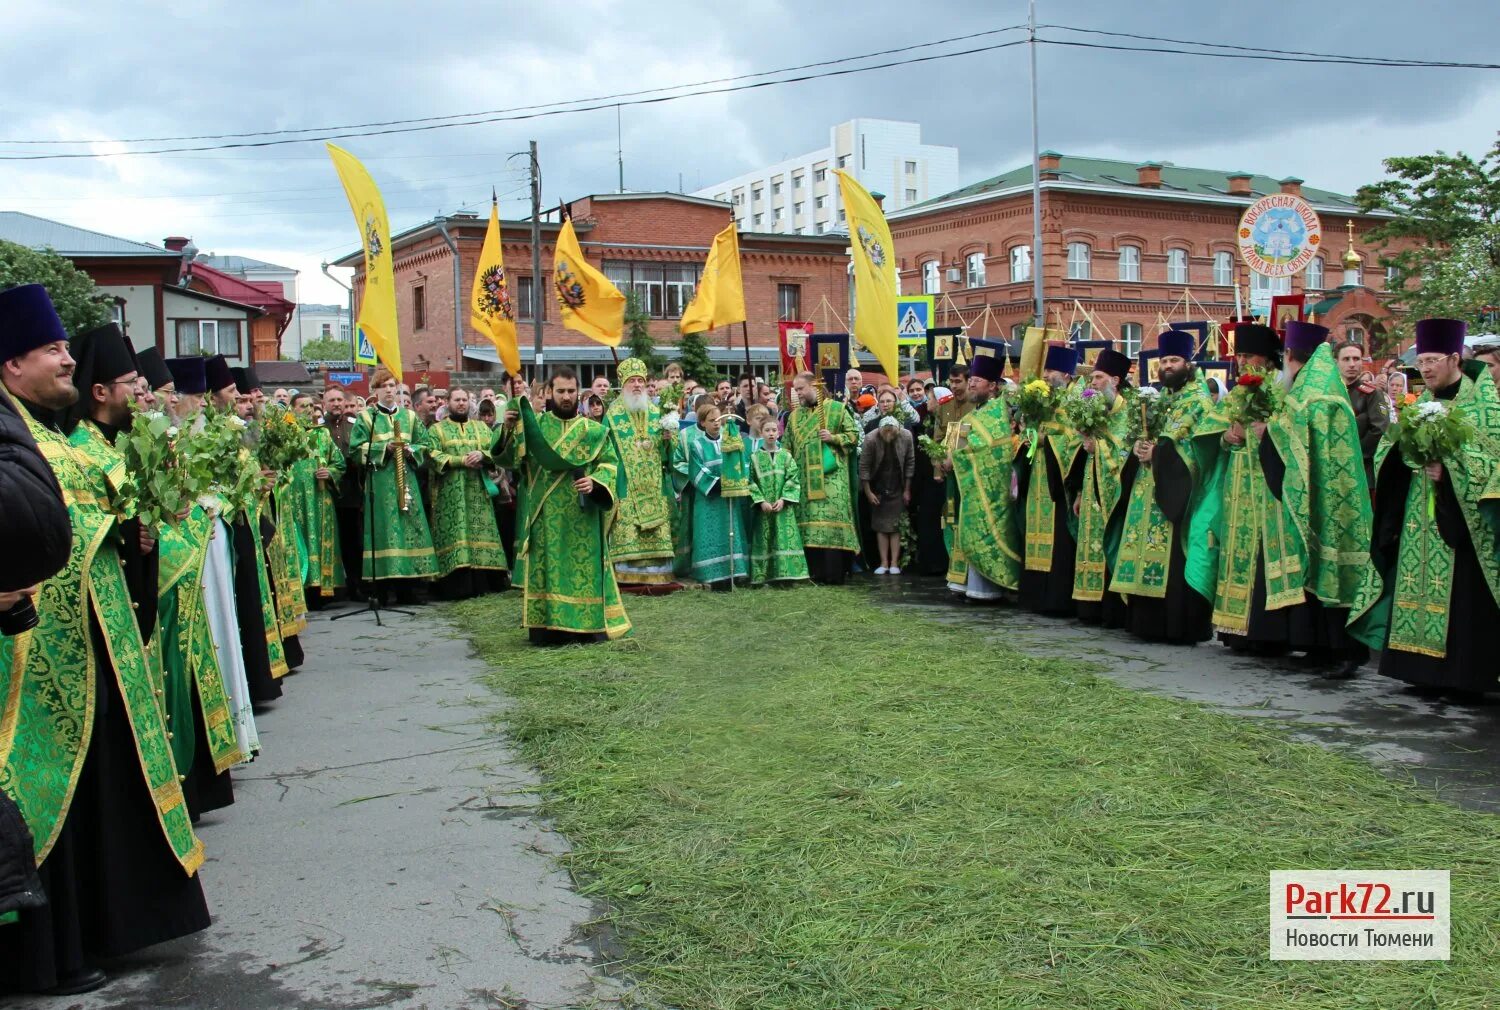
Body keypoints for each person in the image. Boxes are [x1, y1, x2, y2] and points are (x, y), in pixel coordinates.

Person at [0, 285, 209, 996]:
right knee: (46, 790)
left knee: (99, 790)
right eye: (52, 349)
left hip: (98, 643)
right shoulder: (22, 439)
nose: (67, 358)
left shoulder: (54, 437)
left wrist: (133, 534)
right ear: (10, 367)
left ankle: (105, 927)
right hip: (33, 656)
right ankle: (44, 953)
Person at [1353, 318, 1500, 696]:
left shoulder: (1485, 406)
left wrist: (1449, 470)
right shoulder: (1423, 406)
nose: (1426, 368)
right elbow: (1393, 449)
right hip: (1420, 522)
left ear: (1455, 358)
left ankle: (1461, 676)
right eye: (1422, 361)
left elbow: (1490, 460)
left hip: (1464, 528)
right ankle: (1419, 670)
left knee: (1462, 598)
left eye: (1433, 359)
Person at [495, 368, 630, 644]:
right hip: (546, 515)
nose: (566, 397)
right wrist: (508, 429)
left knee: (582, 570)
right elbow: (509, 460)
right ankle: (547, 630)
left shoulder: (594, 431)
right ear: (549, 393)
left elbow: (611, 464)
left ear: (578, 393)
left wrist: (596, 481)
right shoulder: (535, 427)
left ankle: (586, 627)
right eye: (560, 391)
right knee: (548, 570)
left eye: (571, 391)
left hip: (582, 515)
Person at [1111, 329, 1224, 644]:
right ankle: (1145, 622)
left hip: (1176, 493)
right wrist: (1137, 449)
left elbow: (1198, 447)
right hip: (1147, 487)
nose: (1168, 366)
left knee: (1173, 557)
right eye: (1164, 360)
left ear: (1188, 363)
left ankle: (1177, 626)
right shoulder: (1158, 398)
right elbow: (1141, 434)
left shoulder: (1199, 401)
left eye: (1174, 360)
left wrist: (1159, 453)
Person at [350, 368, 438, 604]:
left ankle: (409, 589)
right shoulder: (367, 418)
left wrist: (412, 450)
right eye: (384, 386)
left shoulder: (409, 417)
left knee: (410, 530)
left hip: (407, 482)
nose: (389, 390)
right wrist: (382, 449)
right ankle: (383, 591)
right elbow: (356, 450)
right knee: (384, 533)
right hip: (380, 485)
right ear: (375, 390)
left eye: (392, 386)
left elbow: (425, 445)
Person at [1014, 345, 1084, 616]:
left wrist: (1047, 441)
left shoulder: (1074, 403)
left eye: (1051, 370)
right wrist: (1028, 436)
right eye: (1045, 370)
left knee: (1059, 539)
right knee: (1033, 533)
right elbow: (1029, 436)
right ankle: (1035, 597)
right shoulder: (1044, 403)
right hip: (1038, 478)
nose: (1046, 375)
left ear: (1066, 374)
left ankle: (1056, 599)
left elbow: (1074, 440)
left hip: (1058, 483)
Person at [947, 351, 1020, 601]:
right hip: (971, 486)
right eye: (971, 380)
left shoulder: (1001, 408)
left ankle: (992, 587)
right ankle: (968, 584)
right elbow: (953, 448)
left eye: (976, 380)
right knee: (968, 530)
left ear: (991, 386)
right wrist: (944, 457)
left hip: (994, 489)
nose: (971, 384)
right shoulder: (970, 416)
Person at [603, 357, 678, 590]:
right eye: (632, 381)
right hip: (625, 481)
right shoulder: (612, 415)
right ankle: (627, 574)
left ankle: (659, 573)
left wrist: (668, 440)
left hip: (655, 482)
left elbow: (669, 452)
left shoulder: (657, 412)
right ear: (623, 385)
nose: (637, 385)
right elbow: (605, 451)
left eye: (640, 381)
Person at [426, 388, 509, 600]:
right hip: (450, 494)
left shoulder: (481, 427)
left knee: (481, 533)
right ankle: (455, 587)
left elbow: (497, 450)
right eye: (457, 400)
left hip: (478, 493)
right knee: (456, 533)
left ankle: (487, 583)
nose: (461, 403)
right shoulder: (437, 430)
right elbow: (432, 455)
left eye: (464, 400)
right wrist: (459, 460)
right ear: (448, 402)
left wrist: (483, 454)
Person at [1072, 349, 1133, 626]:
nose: (1093, 382)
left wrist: (1099, 447)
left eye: (1098, 377)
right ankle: (1089, 607)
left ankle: (1112, 610)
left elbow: (1126, 450)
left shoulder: (1127, 412)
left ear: (1115, 380)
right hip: (1091, 489)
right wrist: (1081, 492)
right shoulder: (1097, 411)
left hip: (1113, 497)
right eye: (1092, 378)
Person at [783, 371, 861, 583]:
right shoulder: (794, 416)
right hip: (804, 479)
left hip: (831, 478)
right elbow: (786, 446)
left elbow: (854, 436)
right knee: (808, 525)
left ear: (814, 387)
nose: (797, 393)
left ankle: (835, 573)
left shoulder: (836, 410)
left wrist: (833, 437)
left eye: (801, 389)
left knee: (830, 522)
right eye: (796, 389)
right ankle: (813, 572)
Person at [673, 400, 752, 590]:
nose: (717, 423)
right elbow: (696, 472)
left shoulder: (731, 439)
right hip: (708, 500)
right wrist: (720, 483)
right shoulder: (696, 445)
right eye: (712, 420)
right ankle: (711, 575)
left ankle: (734, 572)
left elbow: (743, 462)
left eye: (719, 419)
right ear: (702, 423)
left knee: (729, 533)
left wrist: (737, 479)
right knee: (710, 535)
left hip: (728, 499)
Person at [289, 392, 346, 605]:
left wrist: (330, 473)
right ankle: (300, 590)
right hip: (294, 500)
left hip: (320, 498)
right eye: (302, 406)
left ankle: (322, 590)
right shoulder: (284, 435)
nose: (308, 410)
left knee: (321, 540)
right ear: (293, 409)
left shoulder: (322, 435)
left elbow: (339, 463)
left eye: (311, 406)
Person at [748, 416, 809, 585]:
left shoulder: (786, 457)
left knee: (785, 539)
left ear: (779, 432)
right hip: (765, 508)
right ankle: (764, 576)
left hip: (783, 508)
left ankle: (788, 575)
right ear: (761, 433)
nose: (771, 434)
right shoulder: (754, 458)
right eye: (767, 430)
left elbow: (793, 479)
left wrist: (784, 499)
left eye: (774, 430)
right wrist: (761, 501)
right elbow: (750, 482)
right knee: (765, 539)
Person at [320, 385, 363, 600]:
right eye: (332, 400)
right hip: (326, 493)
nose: (336, 404)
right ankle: (333, 588)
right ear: (324, 404)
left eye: (339, 400)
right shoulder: (318, 429)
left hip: (352, 493)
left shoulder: (354, 426)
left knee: (352, 542)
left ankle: (356, 585)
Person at [860, 413, 914, 575]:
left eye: (892, 431)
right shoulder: (870, 439)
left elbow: (910, 462)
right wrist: (868, 492)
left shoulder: (906, 436)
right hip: (878, 487)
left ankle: (894, 563)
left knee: (896, 526)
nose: (889, 434)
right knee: (881, 526)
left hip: (897, 485)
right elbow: (864, 467)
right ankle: (883, 562)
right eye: (886, 431)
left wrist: (907, 489)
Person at [1335, 339, 1388, 485]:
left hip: (1362, 469)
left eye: (1356, 359)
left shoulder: (1372, 394)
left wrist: (1354, 455)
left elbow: (1379, 429)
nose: (1352, 364)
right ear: (1336, 362)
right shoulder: (1330, 394)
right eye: (1346, 359)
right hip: (1333, 469)